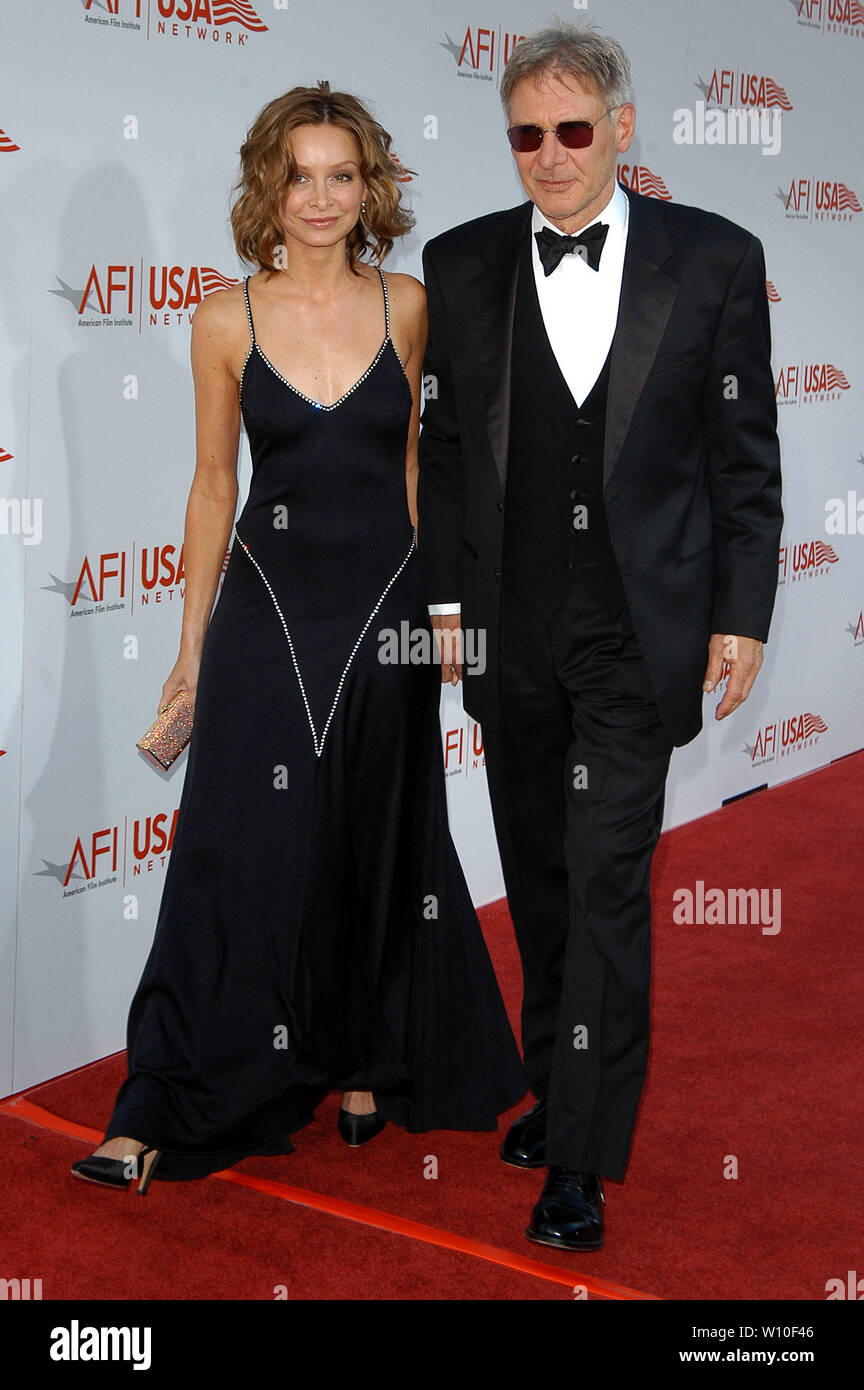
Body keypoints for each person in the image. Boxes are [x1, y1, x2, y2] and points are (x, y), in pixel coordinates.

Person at [70, 82, 526, 1193]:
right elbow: (212, 483)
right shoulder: (223, 318)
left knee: (384, 832)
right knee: (237, 853)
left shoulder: (406, 305)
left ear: (367, 185)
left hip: (390, 608)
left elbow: (422, 471)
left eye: (341, 174)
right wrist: (188, 647)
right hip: (268, 611)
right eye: (299, 174)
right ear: (267, 184)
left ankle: (368, 1059)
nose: (319, 196)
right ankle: (167, 1096)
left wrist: (449, 613)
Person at [418, 23, 782, 1251]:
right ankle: (554, 1082)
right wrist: (452, 615)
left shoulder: (717, 259)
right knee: (544, 879)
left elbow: (745, 462)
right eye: (527, 134)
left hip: (637, 635)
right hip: (514, 637)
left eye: (574, 130)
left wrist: (742, 611)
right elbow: (454, 457)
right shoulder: (462, 263)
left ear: (624, 129)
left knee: (613, 888)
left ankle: (580, 1154)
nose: (550, 156)